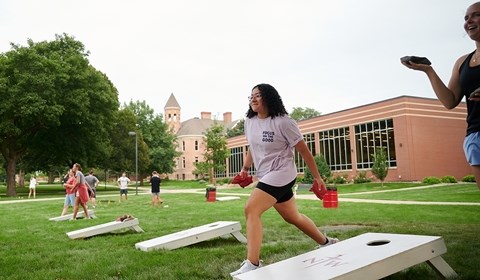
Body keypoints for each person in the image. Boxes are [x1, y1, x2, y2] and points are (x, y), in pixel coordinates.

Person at [230, 84, 339, 276]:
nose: (253, 99)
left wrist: (317, 177)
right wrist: (245, 169)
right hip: (266, 174)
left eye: (258, 96)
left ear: (269, 98)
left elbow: (304, 151)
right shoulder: (250, 121)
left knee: (251, 209)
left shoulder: (284, 122)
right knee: (292, 216)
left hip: (283, 173)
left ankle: (253, 263)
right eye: (251, 96)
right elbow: (252, 147)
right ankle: (327, 243)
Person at [401, 2, 480, 191]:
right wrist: (428, 71)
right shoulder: (463, 62)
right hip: (475, 135)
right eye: (466, 17)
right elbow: (450, 101)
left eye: (475, 15)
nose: (469, 21)